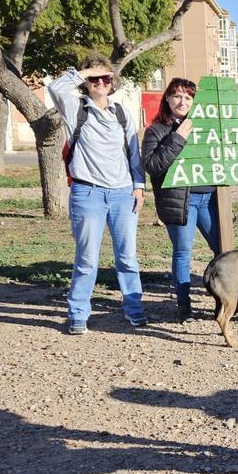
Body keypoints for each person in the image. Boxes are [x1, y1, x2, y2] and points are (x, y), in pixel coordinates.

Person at [49, 54, 147, 334]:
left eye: (106, 78)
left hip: (123, 194)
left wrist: (139, 186)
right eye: (94, 79)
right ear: (86, 82)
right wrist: (88, 70)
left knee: (127, 257)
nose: (100, 83)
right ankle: (78, 314)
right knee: (87, 259)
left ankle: (134, 309)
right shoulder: (75, 109)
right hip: (87, 194)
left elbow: (133, 153)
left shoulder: (122, 113)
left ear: (113, 82)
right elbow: (56, 88)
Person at [141, 78, 222, 322]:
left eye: (188, 97)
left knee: (223, 249)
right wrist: (177, 138)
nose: (182, 102)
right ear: (167, 98)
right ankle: (184, 305)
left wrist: (236, 116)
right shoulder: (156, 131)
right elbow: (153, 165)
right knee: (183, 251)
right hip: (180, 201)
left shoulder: (206, 126)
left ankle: (225, 301)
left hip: (209, 197)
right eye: (177, 96)